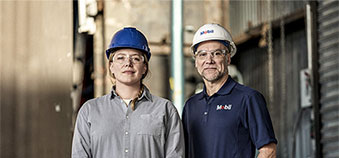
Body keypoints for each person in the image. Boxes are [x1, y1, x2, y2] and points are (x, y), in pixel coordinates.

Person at [72, 27, 185, 158]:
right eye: (120, 58)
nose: (128, 63)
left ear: (144, 68)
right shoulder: (89, 111)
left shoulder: (166, 110)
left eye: (136, 58)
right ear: (111, 66)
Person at [182, 23, 277, 158]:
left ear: (228, 58)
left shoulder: (248, 98)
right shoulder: (190, 105)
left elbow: (268, 150)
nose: (209, 60)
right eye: (202, 54)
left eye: (216, 53)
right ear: (196, 61)